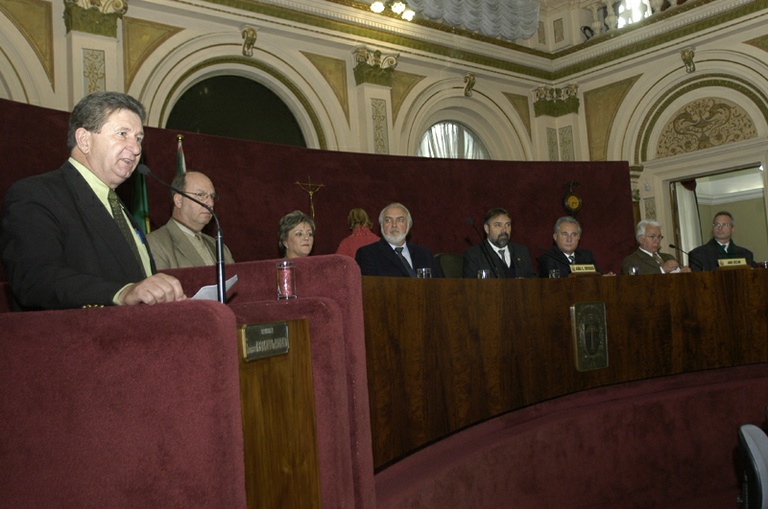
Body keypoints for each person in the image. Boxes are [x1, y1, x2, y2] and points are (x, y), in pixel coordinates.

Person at [0, 91, 185, 309]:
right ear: (84, 140)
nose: (136, 149)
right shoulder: (36, 194)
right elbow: (36, 280)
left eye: (138, 138)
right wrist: (121, 293)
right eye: (122, 133)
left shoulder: (118, 206)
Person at [146, 171, 235, 269]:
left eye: (212, 196)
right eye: (200, 195)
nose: (210, 203)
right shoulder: (155, 243)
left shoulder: (220, 247)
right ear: (179, 200)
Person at [355, 202, 441, 277]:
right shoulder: (368, 254)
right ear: (381, 226)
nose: (394, 225)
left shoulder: (425, 254)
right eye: (388, 220)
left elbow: (438, 287)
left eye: (400, 220)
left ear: (408, 225)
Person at [462, 207, 536, 278]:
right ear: (487, 228)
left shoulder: (521, 251)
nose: (504, 230)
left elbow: (532, 283)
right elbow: (470, 287)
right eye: (498, 225)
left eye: (508, 224)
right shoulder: (474, 255)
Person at [688, 211, 756, 271]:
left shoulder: (745, 254)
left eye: (725, 224)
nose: (720, 228)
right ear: (712, 228)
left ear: (732, 229)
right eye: (717, 224)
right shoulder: (698, 254)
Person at [621, 219, 690, 275]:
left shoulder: (669, 257)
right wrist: (661, 271)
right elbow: (634, 284)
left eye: (659, 237)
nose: (657, 240)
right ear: (641, 239)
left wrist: (683, 274)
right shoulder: (631, 260)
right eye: (652, 236)